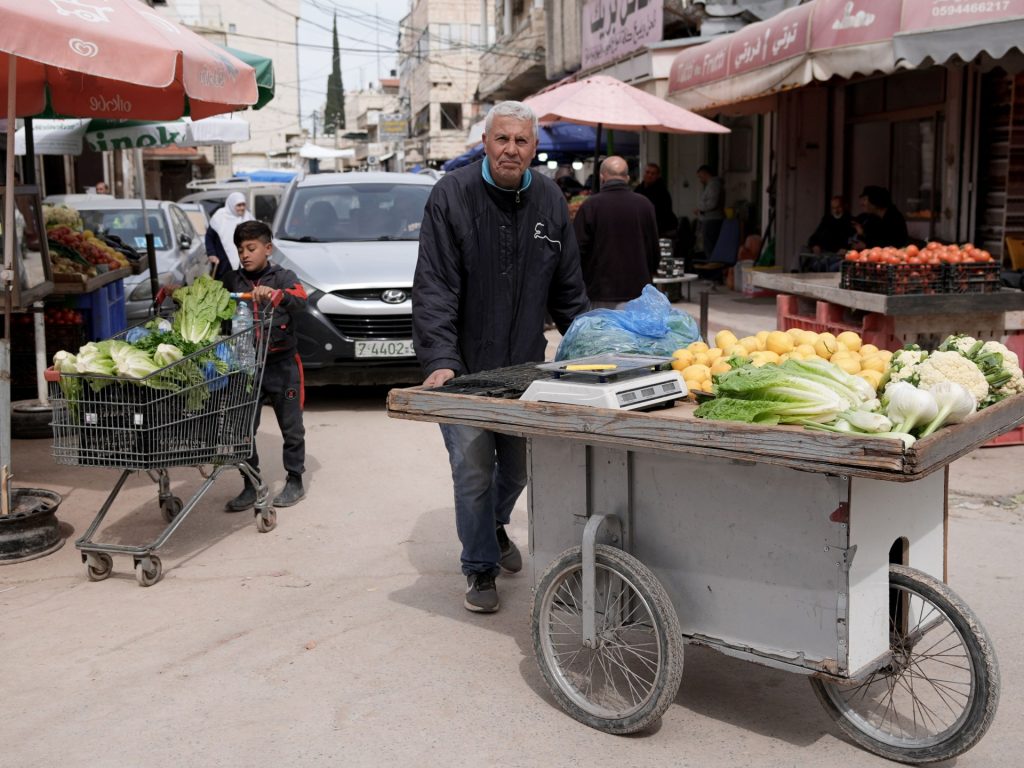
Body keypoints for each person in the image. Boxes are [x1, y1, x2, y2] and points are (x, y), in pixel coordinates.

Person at [413, 100, 590, 614]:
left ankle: (491, 526)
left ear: (535, 148)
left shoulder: (551, 200)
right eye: (502, 139)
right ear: (485, 143)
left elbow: (569, 291)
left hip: (524, 368)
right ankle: (480, 567)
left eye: (522, 141)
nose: (512, 149)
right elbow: (435, 287)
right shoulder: (452, 195)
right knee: (472, 469)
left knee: (518, 469)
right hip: (464, 369)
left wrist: (592, 349)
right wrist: (441, 360)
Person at [216, 220, 309, 510]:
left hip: (282, 365)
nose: (245, 254)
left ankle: (294, 479)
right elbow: (214, 303)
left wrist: (275, 294)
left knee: (291, 427)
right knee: (243, 428)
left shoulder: (283, 276)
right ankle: (251, 483)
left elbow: (300, 299)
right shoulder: (231, 281)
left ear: (267, 249)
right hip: (245, 368)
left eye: (251, 248)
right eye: (240, 249)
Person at [573, 156, 660, 308]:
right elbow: (653, 249)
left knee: (605, 332)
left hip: (600, 290)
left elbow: (577, 250)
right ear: (626, 177)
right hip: (639, 290)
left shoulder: (591, 206)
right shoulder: (645, 205)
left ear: (602, 177)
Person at [803, 195, 856, 271]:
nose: (836, 211)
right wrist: (815, 245)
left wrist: (846, 249)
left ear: (845, 206)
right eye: (833, 208)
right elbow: (814, 236)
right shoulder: (827, 219)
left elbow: (853, 242)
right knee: (802, 250)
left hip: (836, 255)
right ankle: (795, 273)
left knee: (823, 263)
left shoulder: (850, 221)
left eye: (838, 207)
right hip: (823, 252)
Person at [208, 192, 254, 277]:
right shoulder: (220, 216)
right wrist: (212, 254)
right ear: (232, 204)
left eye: (243, 205)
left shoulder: (248, 217)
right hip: (223, 260)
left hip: (244, 259)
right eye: (239, 205)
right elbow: (209, 237)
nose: (242, 208)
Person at [634, 162, 677, 237]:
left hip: (660, 228)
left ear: (657, 176)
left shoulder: (662, 192)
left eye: (653, 173)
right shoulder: (638, 189)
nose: (649, 175)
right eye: (647, 172)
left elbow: (663, 212)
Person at [695, 164, 725, 258]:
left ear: (705, 174)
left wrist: (700, 208)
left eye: (700, 176)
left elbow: (712, 203)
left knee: (710, 246)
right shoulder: (712, 185)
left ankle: (713, 268)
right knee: (709, 245)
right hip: (710, 219)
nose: (700, 180)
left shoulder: (714, 185)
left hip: (712, 220)